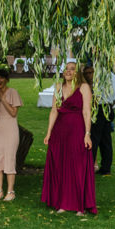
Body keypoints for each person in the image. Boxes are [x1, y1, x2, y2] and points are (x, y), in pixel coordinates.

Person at [41, 60, 97, 214]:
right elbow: (54, 111)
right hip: (60, 131)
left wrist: (87, 134)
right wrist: (49, 133)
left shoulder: (84, 87)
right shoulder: (58, 87)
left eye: (72, 69)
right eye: (66, 69)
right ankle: (63, 203)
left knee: (78, 166)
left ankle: (80, 205)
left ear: (77, 72)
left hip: (78, 129)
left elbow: (87, 112)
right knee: (61, 166)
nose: (68, 71)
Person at [0, 68, 23, 201]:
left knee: (9, 158)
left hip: (10, 128)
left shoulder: (12, 92)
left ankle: (10, 191)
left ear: (6, 79)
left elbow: (13, 113)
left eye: (1, 78)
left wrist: (2, 99)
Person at [83, 60, 115, 175]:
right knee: (106, 140)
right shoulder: (111, 76)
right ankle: (106, 167)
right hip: (108, 107)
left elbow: (96, 97)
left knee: (94, 138)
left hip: (99, 108)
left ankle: (89, 166)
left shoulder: (99, 77)